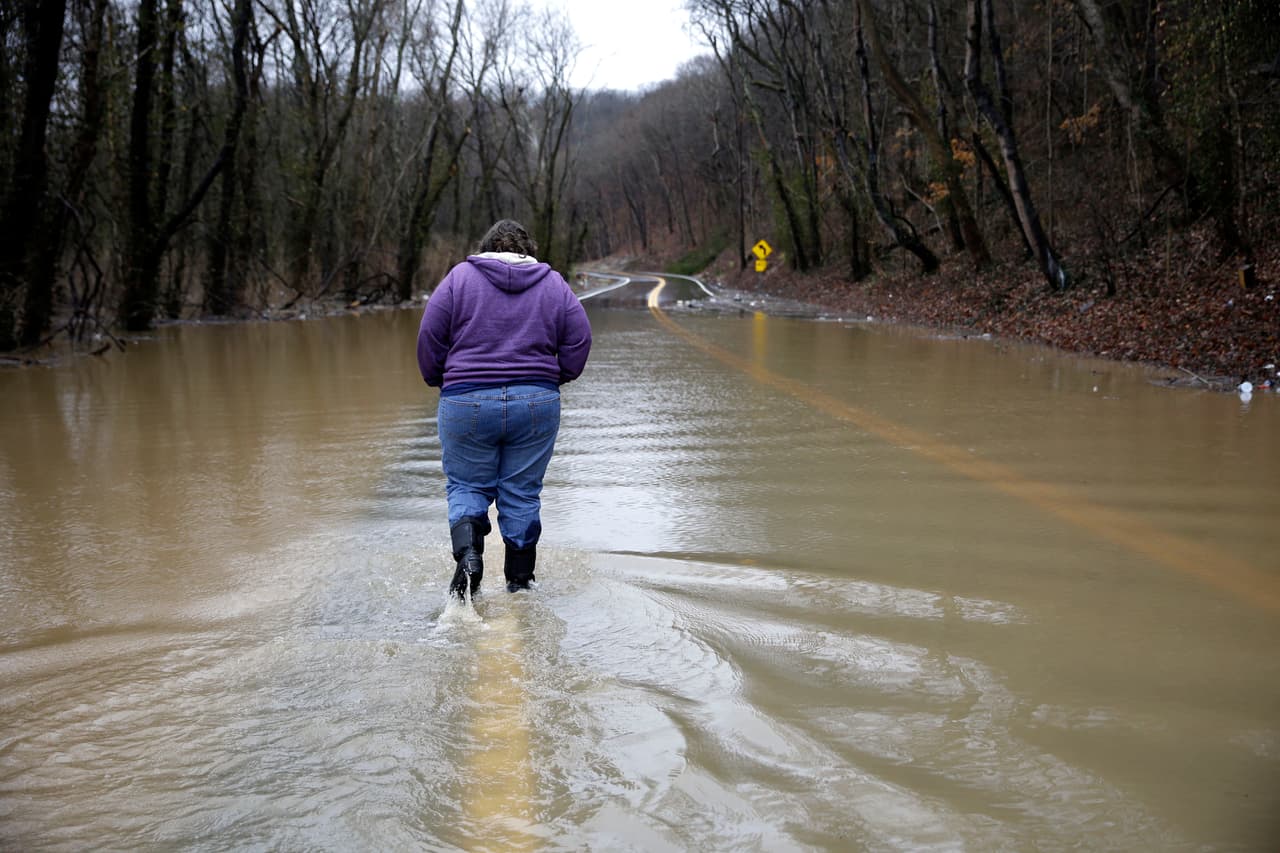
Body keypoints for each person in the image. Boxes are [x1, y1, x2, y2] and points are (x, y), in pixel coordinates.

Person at [416, 220, 592, 600]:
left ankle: (468, 557)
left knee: (466, 486)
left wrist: (439, 379)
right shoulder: (553, 284)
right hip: (536, 402)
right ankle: (520, 584)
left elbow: (430, 335)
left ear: (484, 247)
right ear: (529, 250)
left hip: (466, 400)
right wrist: (554, 377)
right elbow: (580, 337)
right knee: (523, 493)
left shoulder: (458, 279)